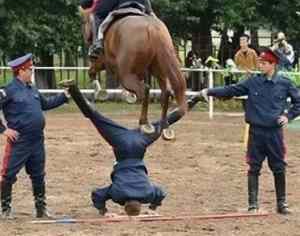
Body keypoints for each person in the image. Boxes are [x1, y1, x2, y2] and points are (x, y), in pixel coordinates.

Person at [62, 80, 201, 216]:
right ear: (124, 205)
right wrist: (103, 211)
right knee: (95, 116)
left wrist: (153, 208)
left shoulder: (148, 194)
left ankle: (194, 100)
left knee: (166, 121)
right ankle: (74, 89)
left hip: (140, 143)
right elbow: (96, 194)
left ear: (141, 204)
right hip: (121, 144)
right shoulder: (118, 195)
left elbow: (162, 193)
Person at [200, 48, 300, 215]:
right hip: (255, 132)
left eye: (263, 63)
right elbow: (231, 90)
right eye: (259, 62)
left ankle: (281, 204)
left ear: (272, 65)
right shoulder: (252, 82)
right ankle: (252, 204)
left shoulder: (285, 83)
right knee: (253, 168)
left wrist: (288, 116)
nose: (260, 65)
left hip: (274, 134)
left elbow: (299, 102)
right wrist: (209, 91)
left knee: (279, 167)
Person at [0, 53, 69, 219]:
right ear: (21, 71)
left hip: (37, 140)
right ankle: (5, 210)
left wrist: (64, 96)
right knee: (8, 174)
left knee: (38, 174)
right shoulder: (8, 90)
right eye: (30, 69)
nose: (32, 72)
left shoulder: (33, 89)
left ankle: (41, 209)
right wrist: (3, 130)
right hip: (19, 141)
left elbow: (46, 104)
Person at [80, 0, 153, 57]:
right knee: (151, 15)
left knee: (97, 15)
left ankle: (97, 44)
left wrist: (85, 2)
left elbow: (86, 0)